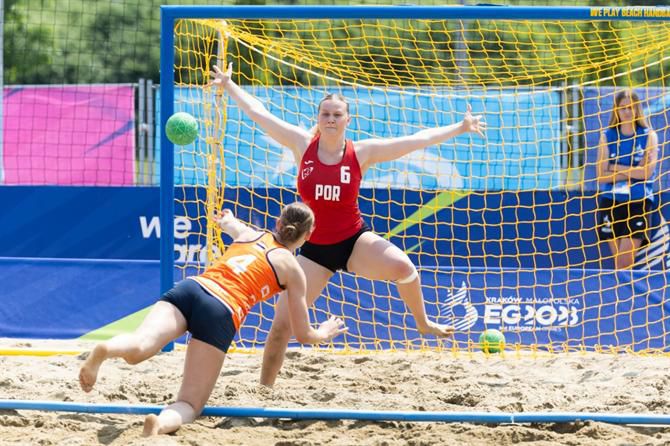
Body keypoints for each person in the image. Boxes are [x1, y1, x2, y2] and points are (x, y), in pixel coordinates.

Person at [211, 63, 486, 387]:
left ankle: (423, 323)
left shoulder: (362, 152)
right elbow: (261, 114)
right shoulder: (302, 145)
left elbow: (415, 140)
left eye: (337, 114)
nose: (330, 119)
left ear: (347, 120)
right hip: (313, 251)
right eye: (325, 113)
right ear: (318, 118)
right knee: (281, 326)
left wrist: (460, 127)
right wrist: (229, 85)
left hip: (353, 241)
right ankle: (264, 391)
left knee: (403, 266)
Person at [78, 202, 347, 436]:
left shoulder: (250, 233)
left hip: (192, 288)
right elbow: (301, 333)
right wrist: (323, 331)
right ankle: (158, 424)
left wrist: (226, 219)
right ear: (308, 235)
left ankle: (105, 349)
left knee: (139, 347)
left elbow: (230, 224)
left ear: (278, 222)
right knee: (190, 404)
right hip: (222, 310)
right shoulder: (293, 269)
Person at [596, 89, 659, 270]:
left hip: (638, 201)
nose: (627, 112)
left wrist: (614, 167)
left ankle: (626, 298)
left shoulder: (648, 136)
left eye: (631, 107)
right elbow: (601, 175)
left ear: (637, 109)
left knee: (625, 262)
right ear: (616, 110)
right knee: (619, 264)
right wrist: (634, 170)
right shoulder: (607, 136)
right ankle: (620, 298)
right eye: (623, 108)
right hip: (612, 201)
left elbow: (646, 173)